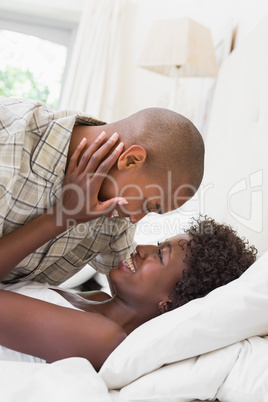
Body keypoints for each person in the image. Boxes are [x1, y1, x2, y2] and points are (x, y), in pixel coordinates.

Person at [0, 97, 204, 285]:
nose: (135, 219)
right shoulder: (8, 136)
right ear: (131, 160)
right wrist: (63, 217)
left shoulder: (114, 219)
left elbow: (137, 295)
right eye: (147, 205)